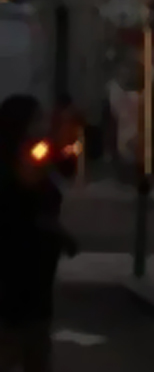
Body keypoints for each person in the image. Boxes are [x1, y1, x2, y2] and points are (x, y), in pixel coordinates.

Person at [0, 94, 78, 371]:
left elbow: (65, 169)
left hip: (37, 270)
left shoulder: (37, 153)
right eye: (37, 120)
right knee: (18, 338)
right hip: (17, 266)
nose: (42, 126)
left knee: (36, 342)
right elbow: (28, 200)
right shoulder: (15, 160)